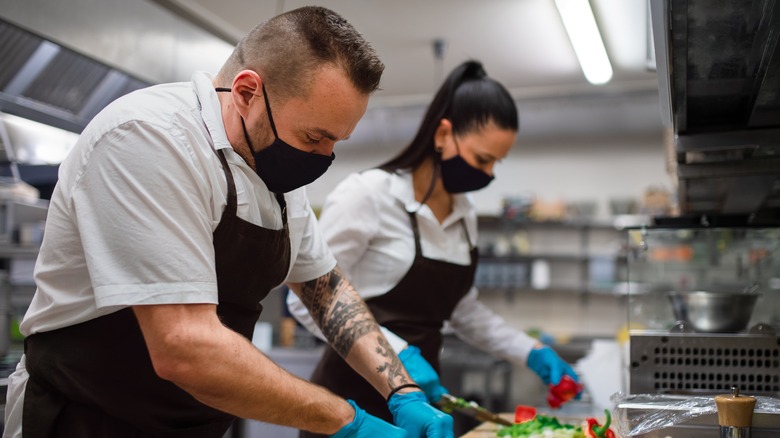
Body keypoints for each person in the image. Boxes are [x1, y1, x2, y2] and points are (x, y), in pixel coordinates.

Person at [3, 6, 454, 438]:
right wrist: (345, 419)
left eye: (335, 142)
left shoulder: (274, 171)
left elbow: (327, 291)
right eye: (314, 137)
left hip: (189, 422)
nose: (324, 158)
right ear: (246, 92)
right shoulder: (150, 137)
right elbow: (185, 347)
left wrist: (400, 388)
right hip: (85, 418)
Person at [287, 61, 581, 436]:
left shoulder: (464, 214)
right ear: (443, 135)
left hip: (421, 407)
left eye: (495, 164)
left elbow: (462, 309)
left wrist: (531, 351)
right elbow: (306, 299)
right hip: (350, 408)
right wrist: (398, 354)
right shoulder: (369, 195)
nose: (488, 174)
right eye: (482, 159)